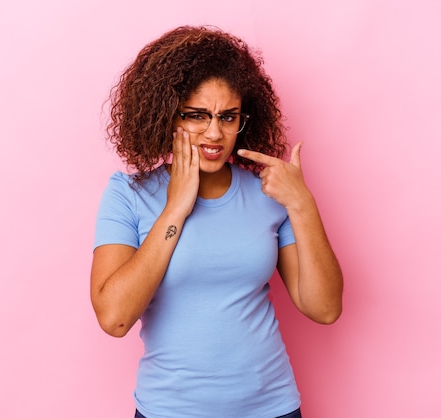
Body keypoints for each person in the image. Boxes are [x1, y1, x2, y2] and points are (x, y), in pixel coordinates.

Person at [90, 25, 343, 418]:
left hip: (272, 408)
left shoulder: (268, 193)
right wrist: (176, 208)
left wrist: (302, 204)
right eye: (197, 116)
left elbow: (323, 308)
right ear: (167, 114)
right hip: (169, 410)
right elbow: (114, 317)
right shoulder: (129, 194)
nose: (214, 133)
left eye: (228, 117)